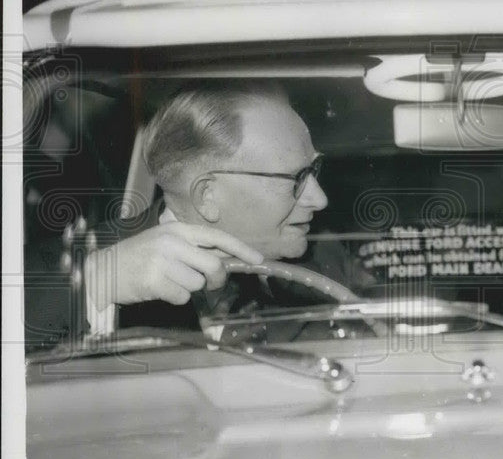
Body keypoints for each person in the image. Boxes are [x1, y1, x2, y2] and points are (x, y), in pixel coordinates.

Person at [25, 80, 369, 343]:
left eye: (314, 170)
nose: (320, 199)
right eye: (296, 179)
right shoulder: (66, 271)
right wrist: (96, 285)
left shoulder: (327, 258)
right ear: (207, 196)